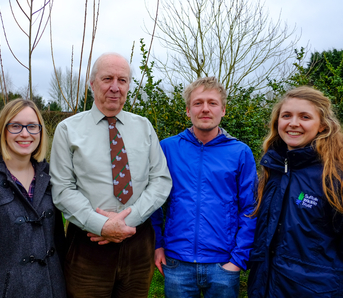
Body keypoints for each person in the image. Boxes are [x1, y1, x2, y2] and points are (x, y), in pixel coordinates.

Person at [50, 52, 172, 297]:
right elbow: (62, 189)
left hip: (138, 243)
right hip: (88, 244)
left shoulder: (144, 127)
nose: (115, 87)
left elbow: (160, 180)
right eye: (107, 79)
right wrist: (102, 226)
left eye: (122, 80)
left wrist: (126, 222)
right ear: (92, 83)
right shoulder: (67, 130)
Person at [151, 77, 257, 298]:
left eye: (212, 103)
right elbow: (154, 202)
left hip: (223, 264)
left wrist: (238, 259)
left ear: (224, 110)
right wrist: (157, 246)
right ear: (188, 110)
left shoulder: (240, 152)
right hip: (177, 261)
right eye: (198, 103)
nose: (205, 109)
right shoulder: (167, 148)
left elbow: (250, 208)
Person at [0, 98, 66, 297]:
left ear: (40, 132)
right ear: (3, 130)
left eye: (32, 127)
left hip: (53, 289)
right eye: (16, 126)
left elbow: (58, 244)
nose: (25, 134)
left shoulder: (49, 177)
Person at [247, 86, 343, 297]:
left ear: (322, 126)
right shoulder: (273, 171)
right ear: (277, 122)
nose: (293, 123)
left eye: (305, 117)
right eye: (286, 115)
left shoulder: (334, 177)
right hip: (265, 287)